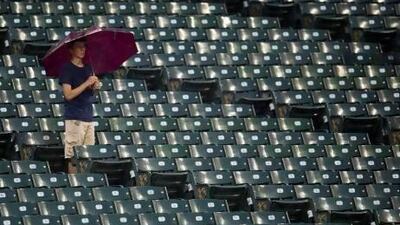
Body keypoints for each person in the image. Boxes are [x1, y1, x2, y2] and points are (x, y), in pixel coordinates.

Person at [59, 38, 100, 173]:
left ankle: (85, 187)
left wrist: (95, 86)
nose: (83, 49)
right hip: (74, 117)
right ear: (71, 50)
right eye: (79, 47)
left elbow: (90, 92)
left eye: (84, 47)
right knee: (73, 157)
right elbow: (68, 95)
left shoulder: (89, 68)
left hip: (88, 117)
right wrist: (86, 83)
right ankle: (74, 187)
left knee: (87, 156)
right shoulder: (67, 68)